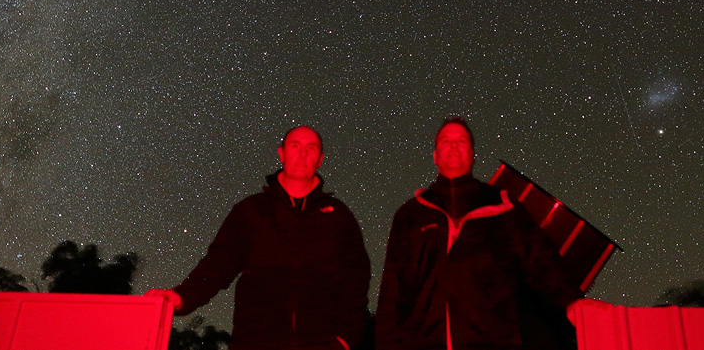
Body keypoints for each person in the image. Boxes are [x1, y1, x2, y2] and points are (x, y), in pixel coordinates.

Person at [375, 117, 584, 350]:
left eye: (461, 141)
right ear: (435, 156)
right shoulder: (410, 214)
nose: (454, 145)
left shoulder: (505, 207)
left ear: (472, 154)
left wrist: (574, 304)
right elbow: (392, 292)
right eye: (446, 141)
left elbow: (542, 263)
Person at [157, 126, 370, 350]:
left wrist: (345, 340)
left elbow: (356, 282)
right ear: (282, 154)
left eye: (311, 148)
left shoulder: (339, 217)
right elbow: (217, 266)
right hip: (255, 343)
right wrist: (181, 297)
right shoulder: (251, 211)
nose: (303, 153)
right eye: (295, 146)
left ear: (320, 159)